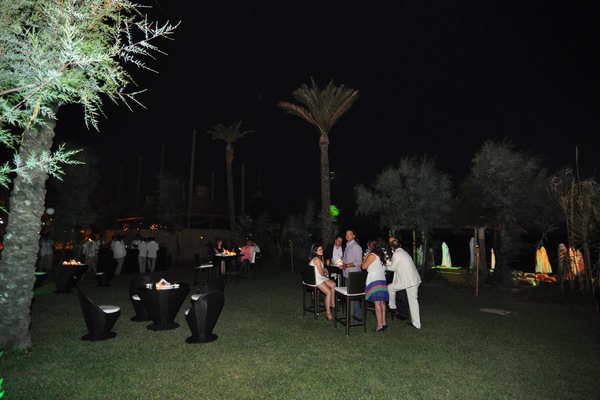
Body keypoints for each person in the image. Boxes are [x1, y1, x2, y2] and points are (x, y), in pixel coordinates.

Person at [386, 238, 422, 329]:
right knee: (413, 301)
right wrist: (386, 262)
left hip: (407, 281)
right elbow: (396, 264)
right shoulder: (404, 252)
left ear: (392, 248)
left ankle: (392, 306)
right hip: (414, 280)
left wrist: (385, 264)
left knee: (390, 287)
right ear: (400, 246)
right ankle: (417, 324)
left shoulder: (396, 254)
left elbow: (392, 268)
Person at [362, 240, 389, 332]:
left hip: (374, 279)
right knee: (382, 302)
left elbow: (363, 266)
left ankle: (379, 325)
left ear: (370, 247)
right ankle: (384, 322)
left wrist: (366, 256)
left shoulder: (371, 255)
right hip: (382, 278)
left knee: (377, 302)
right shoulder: (382, 255)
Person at [309, 243, 336, 321]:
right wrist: (325, 272)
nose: (322, 251)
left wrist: (325, 269)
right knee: (328, 292)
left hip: (320, 277)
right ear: (315, 251)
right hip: (316, 278)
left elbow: (321, 268)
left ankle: (332, 303)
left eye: (322, 249)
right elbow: (321, 273)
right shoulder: (317, 259)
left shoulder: (319, 258)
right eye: (319, 250)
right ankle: (328, 313)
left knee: (333, 284)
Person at [341, 229, 363, 319]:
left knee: (354, 297)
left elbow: (359, 262)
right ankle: (350, 316)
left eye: (350, 234)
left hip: (354, 275)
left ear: (353, 236)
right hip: (347, 274)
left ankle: (356, 318)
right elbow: (347, 260)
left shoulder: (356, 247)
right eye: (346, 234)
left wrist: (346, 265)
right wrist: (342, 264)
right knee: (349, 296)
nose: (348, 236)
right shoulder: (347, 246)